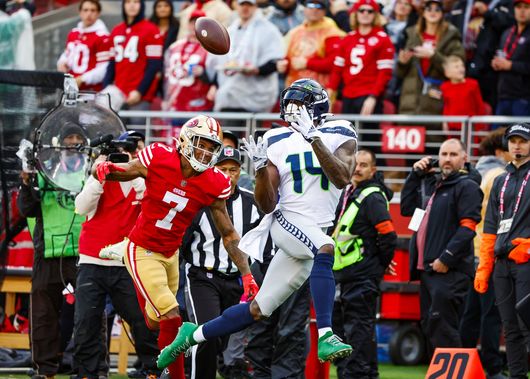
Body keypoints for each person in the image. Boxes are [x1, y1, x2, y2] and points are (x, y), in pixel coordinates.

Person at [157, 78, 357, 367]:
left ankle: (192, 335)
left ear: (316, 105)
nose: (292, 114)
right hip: (288, 221)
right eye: (288, 108)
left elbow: (342, 177)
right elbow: (267, 204)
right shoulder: (276, 140)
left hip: (311, 232)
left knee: (257, 309)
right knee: (325, 247)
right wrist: (262, 168)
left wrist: (313, 136)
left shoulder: (340, 131)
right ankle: (326, 335)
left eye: (298, 107)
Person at [91, 115, 258, 379]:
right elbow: (124, 171)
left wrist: (246, 274)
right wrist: (101, 167)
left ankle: (126, 262)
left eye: (211, 147)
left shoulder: (214, 182)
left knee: (155, 321)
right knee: (172, 317)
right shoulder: (159, 157)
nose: (205, 152)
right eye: (201, 143)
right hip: (142, 248)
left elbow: (228, 234)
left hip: (171, 254)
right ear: (185, 141)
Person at [73, 132, 160, 379]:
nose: (122, 156)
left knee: (143, 320)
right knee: (86, 322)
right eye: (120, 151)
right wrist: (99, 173)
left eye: (129, 151)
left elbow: (150, 201)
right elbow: (81, 208)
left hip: (126, 263)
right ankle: (89, 373)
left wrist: (132, 169)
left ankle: (153, 370)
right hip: (92, 261)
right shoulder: (99, 175)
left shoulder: (140, 178)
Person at [180, 146, 272, 379]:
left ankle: (178, 370)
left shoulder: (252, 203)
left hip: (236, 281)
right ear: (213, 170)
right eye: (223, 169)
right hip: (203, 276)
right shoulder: (199, 201)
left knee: (219, 341)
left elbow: (264, 243)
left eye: (234, 169)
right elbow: (182, 241)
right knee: (206, 335)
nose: (229, 175)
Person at [16, 127, 86, 379]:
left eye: (79, 139)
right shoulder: (43, 168)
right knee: (43, 315)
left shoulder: (91, 171)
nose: (74, 143)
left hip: (84, 253)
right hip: (47, 252)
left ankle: (88, 369)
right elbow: (26, 208)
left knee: (90, 313)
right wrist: (27, 181)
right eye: (69, 138)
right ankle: (45, 369)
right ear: (59, 143)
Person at [400, 138, 483, 349]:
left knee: (444, 326)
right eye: (444, 154)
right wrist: (414, 175)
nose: (447, 159)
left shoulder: (468, 186)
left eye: (453, 155)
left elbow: (468, 228)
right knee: (431, 325)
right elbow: (407, 209)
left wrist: (446, 258)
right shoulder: (433, 184)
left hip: (449, 270)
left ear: (465, 159)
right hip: (428, 269)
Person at [332, 148, 397, 379]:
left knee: (357, 333)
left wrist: (377, 267)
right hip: (347, 275)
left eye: (363, 165)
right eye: (356, 164)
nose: (357, 168)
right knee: (350, 333)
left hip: (360, 276)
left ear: (373, 170)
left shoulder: (372, 196)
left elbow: (389, 236)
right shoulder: (352, 193)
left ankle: (356, 374)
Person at [474, 123, 530, 379]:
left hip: (526, 262)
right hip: (501, 262)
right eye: (513, 140)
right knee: (510, 328)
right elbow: (490, 228)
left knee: (525, 323)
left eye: (523, 140)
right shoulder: (500, 180)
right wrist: (484, 267)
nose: (517, 145)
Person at [459, 129, 510, 379]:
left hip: (472, 252)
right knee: (491, 314)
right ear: (501, 151)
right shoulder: (500, 175)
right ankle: (492, 368)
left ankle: (464, 361)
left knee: (471, 314)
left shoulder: (476, 172)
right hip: (488, 252)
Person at [327, 0, 394, 151]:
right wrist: (330, 92)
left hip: (369, 96)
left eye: (370, 11)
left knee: (370, 141)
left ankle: (375, 173)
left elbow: (384, 73)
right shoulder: (348, 38)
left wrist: (373, 97)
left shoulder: (382, 39)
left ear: (375, 15)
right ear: (355, 14)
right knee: (348, 140)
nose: (365, 14)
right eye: (361, 10)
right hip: (349, 95)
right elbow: (337, 69)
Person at [397, 0, 465, 145]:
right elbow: (400, 74)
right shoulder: (412, 34)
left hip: (437, 99)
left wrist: (433, 55)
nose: (433, 12)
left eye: (437, 9)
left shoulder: (451, 35)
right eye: (429, 9)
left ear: (442, 13)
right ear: (423, 12)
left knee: (433, 148)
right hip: (411, 101)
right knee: (411, 154)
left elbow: (458, 68)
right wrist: (402, 62)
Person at [206, 0, 284, 113]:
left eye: (249, 5)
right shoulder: (231, 30)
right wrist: (215, 85)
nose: (245, 8)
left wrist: (257, 70)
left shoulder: (268, 30)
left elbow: (275, 61)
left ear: (255, 6)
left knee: (252, 129)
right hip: (230, 96)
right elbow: (220, 61)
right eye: (242, 4)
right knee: (229, 129)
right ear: (236, 6)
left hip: (256, 95)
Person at [101, 0, 163, 123]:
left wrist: (140, 91)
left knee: (137, 132)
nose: (132, 5)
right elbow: (112, 63)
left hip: (140, 95)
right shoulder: (117, 30)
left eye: (136, 2)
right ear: (123, 5)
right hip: (117, 92)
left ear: (142, 5)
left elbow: (154, 65)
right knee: (112, 131)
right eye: (128, 2)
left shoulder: (151, 29)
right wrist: (107, 87)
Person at [449, 0, 514, 110]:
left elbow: (511, 24)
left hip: (491, 72)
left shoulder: (505, 3)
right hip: (462, 70)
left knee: (487, 113)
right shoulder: (461, 5)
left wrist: (488, 12)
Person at [276, 0, 345, 87]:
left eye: (319, 6)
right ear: (304, 8)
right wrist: (283, 65)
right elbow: (287, 58)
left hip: (319, 90)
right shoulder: (294, 32)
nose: (314, 10)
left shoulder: (332, 33)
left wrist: (307, 63)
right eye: (310, 5)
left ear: (325, 11)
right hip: (293, 88)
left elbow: (334, 64)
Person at [57, 0, 110, 91]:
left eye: (93, 10)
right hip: (70, 88)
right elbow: (67, 54)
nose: (89, 14)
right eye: (85, 10)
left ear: (98, 13)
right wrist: (62, 63)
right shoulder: (73, 33)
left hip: (91, 91)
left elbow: (105, 68)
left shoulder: (103, 37)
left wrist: (83, 79)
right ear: (80, 12)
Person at [491, 0, 530, 118]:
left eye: (526, 7)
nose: (522, 11)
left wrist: (510, 65)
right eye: (519, 7)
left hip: (524, 97)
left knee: (521, 136)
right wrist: (496, 63)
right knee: (499, 135)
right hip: (503, 94)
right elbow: (503, 54)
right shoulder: (507, 33)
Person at [440, 55, 485, 133]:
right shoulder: (444, 87)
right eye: (456, 67)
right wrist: (445, 122)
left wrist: (480, 127)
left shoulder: (473, 84)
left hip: (470, 127)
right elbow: (446, 106)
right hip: (452, 127)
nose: (461, 69)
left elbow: (479, 106)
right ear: (447, 73)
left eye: (462, 66)